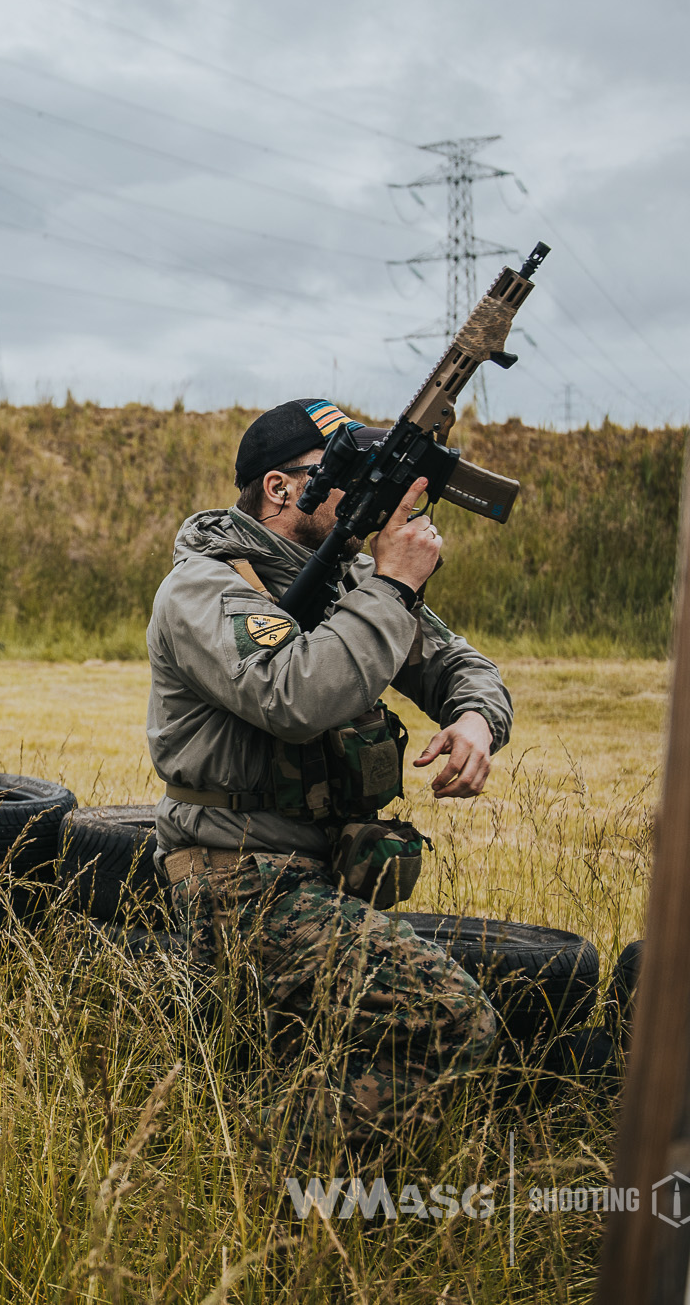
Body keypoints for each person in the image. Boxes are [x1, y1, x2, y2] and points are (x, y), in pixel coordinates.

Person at [146, 398, 513, 1149]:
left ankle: (286, 1156)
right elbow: (295, 694)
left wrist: (477, 718)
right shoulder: (205, 588)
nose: (367, 492)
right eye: (343, 473)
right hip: (237, 879)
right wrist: (394, 587)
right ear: (281, 488)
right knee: (453, 1017)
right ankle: (274, 1181)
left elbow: (457, 665)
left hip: (319, 874)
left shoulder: (350, 580)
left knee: (325, 1044)